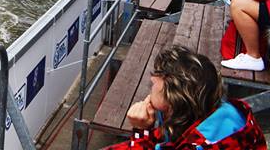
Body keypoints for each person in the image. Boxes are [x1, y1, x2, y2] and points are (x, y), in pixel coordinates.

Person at [104, 45, 265, 149]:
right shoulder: (224, 112)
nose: (152, 81)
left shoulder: (199, 144)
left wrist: (141, 131)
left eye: (155, 82)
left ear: (173, 99)